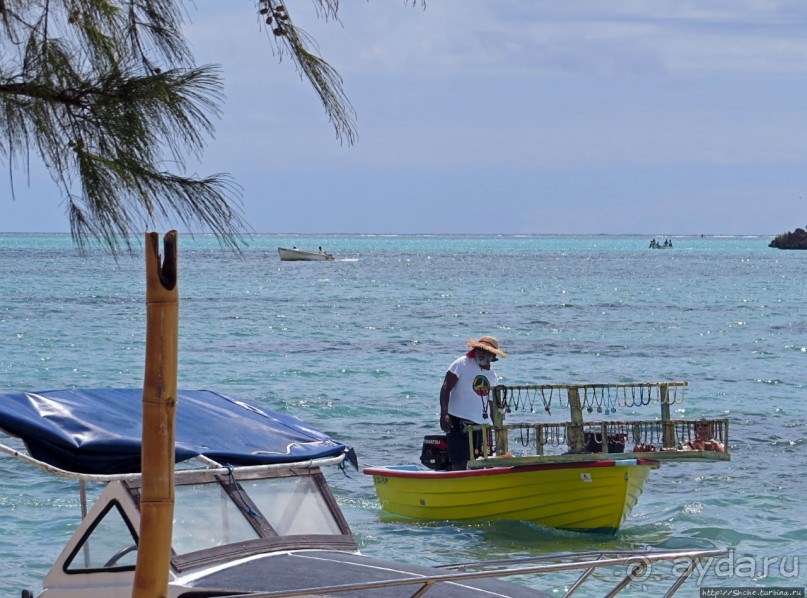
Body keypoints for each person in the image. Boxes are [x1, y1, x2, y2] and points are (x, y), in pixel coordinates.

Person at [439, 336, 506, 470]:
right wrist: (444, 414)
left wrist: (498, 429)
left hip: (481, 425)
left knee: (483, 463)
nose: (480, 352)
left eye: (485, 350)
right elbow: (445, 389)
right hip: (458, 422)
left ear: (493, 356)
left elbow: (491, 404)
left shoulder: (492, 376)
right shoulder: (462, 363)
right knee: (460, 463)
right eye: (478, 349)